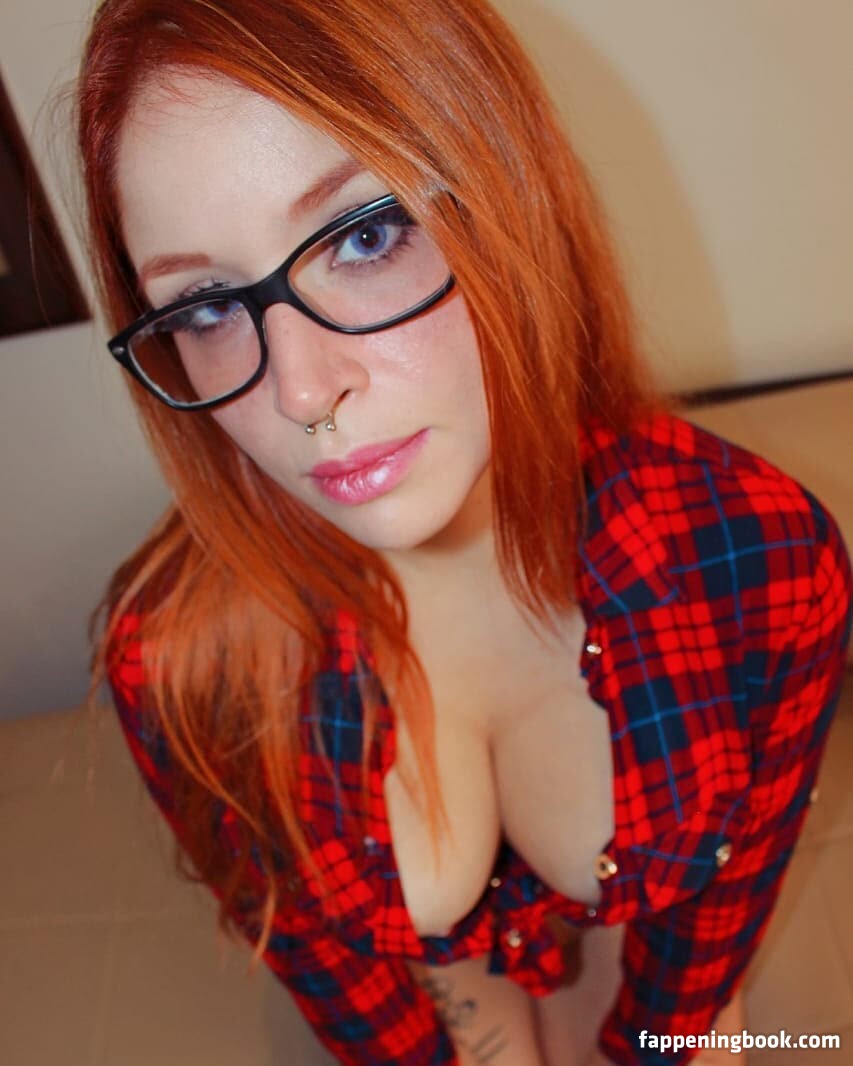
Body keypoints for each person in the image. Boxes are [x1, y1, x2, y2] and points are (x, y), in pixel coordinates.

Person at [76, 1, 853, 1063]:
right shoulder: (178, 656)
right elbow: (333, 975)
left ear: (510, 195)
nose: (302, 391)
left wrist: (652, 1043)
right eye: (205, 308)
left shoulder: (760, 557)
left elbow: (724, 903)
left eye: (365, 235)